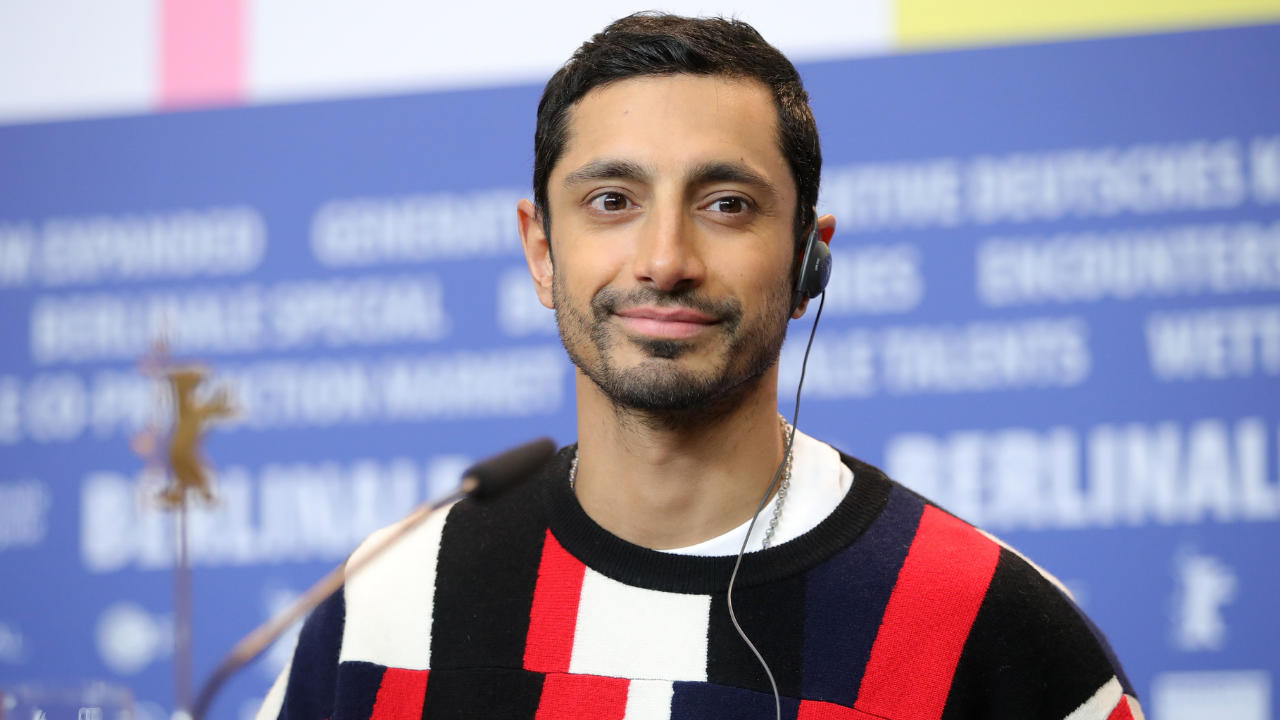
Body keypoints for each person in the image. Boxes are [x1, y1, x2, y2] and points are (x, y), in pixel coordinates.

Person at [259, 13, 1141, 720]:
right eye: (612, 201)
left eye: (726, 204)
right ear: (539, 250)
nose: (664, 257)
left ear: (807, 260)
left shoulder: (987, 623)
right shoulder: (386, 598)